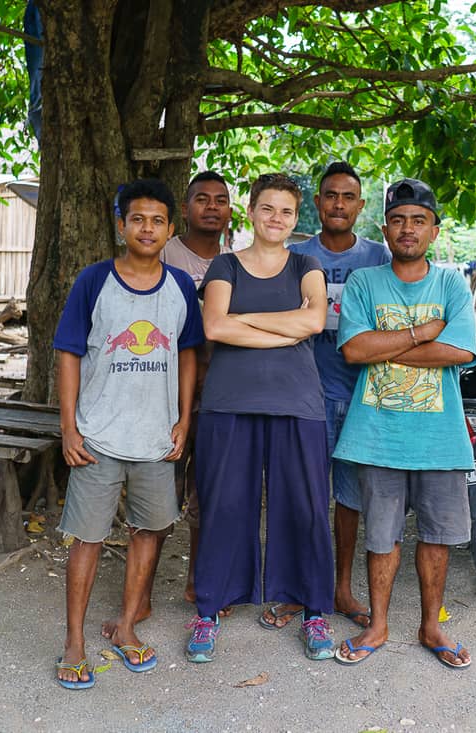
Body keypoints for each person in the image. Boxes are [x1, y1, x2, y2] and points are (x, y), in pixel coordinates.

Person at [53, 178, 203, 688]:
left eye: (157, 220)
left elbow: (187, 353)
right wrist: (69, 427)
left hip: (156, 439)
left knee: (151, 530)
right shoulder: (94, 281)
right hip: (98, 436)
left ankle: (126, 627)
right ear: (121, 226)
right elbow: (69, 353)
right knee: (88, 538)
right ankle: (74, 641)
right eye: (137, 219)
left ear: (169, 229)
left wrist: (183, 419)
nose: (147, 228)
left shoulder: (182, 287)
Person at [186, 173, 335, 663]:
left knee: (307, 509)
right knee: (225, 507)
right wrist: (284, 329)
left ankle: (313, 608)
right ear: (250, 212)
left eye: (287, 211)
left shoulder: (307, 264)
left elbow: (313, 321)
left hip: (298, 405)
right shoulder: (225, 265)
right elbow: (213, 326)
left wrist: (245, 323)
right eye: (268, 208)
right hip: (230, 404)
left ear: (297, 218)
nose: (277, 219)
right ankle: (209, 611)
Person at [331, 179, 476, 669]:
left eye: (419, 221)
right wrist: (421, 333)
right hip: (378, 436)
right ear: (385, 228)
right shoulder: (364, 284)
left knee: (436, 537)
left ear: (434, 231)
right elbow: (354, 350)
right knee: (381, 537)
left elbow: (458, 351)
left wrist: (388, 342)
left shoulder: (452, 284)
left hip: (440, 439)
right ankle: (378, 625)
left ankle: (430, 625)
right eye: (398, 220)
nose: (408, 229)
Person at [256, 162, 390, 632]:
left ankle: (340, 588)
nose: (338, 203)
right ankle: (297, 587)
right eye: (330, 195)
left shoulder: (378, 258)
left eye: (348, 196)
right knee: (303, 494)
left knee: (349, 499)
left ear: (360, 204)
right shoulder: (294, 256)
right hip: (305, 394)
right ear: (317, 203)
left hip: (361, 396)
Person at [156, 170, 233, 614]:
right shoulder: (162, 255)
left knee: (210, 495)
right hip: (162, 397)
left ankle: (198, 582)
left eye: (220, 200)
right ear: (184, 209)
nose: (211, 206)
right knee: (159, 493)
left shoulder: (237, 263)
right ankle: (140, 590)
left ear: (229, 211)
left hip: (217, 396)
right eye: (201, 198)